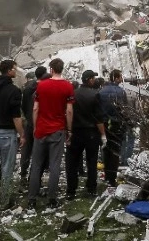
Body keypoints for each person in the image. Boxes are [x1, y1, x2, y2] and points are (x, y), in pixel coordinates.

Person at [28, 58, 74, 209]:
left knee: (36, 165)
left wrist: (35, 127)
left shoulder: (41, 85)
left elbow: (35, 108)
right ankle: (51, 199)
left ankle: (32, 199)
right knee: (55, 165)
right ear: (62, 69)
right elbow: (69, 111)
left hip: (41, 129)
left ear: (51, 69)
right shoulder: (68, 86)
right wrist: (69, 130)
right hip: (57, 130)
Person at [0, 59, 25, 213]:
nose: (16, 71)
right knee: (7, 168)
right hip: (7, 133)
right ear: (9, 71)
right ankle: (5, 200)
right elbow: (16, 116)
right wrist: (22, 135)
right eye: (14, 68)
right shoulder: (14, 90)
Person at [66, 70, 106, 200]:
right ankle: (91, 188)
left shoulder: (73, 94)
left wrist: (68, 130)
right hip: (91, 133)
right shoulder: (95, 95)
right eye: (93, 78)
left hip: (75, 131)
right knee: (92, 161)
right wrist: (103, 134)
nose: (95, 80)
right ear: (89, 79)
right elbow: (99, 118)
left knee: (72, 162)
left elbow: (68, 113)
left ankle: (71, 190)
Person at [100, 69, 128, 187]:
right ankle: (112, 178)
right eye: (120, 77)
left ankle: (107, 175)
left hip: (104, 124)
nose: (121, 79)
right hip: (117, 125)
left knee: (106, 149)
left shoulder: (101, 91)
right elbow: (124, 110)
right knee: (115, 151)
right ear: (116, 78)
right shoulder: (121, 92)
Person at [20, 66, 47, 182]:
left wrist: (27, 117)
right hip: (40, 122)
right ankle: (34, 175)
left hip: (29, 122)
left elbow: (23, 106)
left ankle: (23, 172)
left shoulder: (27, 88)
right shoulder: (44, 88)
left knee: (26, 149)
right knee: (38, 151)